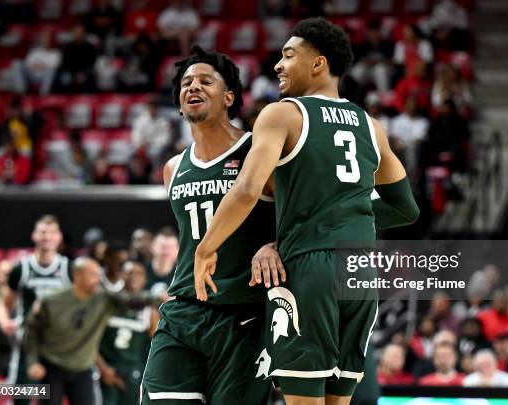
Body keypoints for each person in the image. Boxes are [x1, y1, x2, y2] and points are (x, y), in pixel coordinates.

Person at [194, 17, 419, 404]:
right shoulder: (371, 125)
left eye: (288, 55)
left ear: (318, 64)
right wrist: (344, 217)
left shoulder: (283, 114)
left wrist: (205, 248)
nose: (278, 66)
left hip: (309, 269)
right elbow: (405, 207)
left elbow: (247, 189)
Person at [139, 45, 279, 404]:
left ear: (229, 97)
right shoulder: (173, 167)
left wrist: (275, 244)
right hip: (184, 310)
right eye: (186, 83)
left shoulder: (257, 152)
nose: (193, 87)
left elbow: (304, 218)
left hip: (244, 315)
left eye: (205, 81)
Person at [24, 257, 155, 405]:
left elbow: (131, 301)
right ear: (77, 275)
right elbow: (32, 331)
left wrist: (158, 298)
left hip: (83, 368)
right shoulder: (51, 300)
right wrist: (32, 362)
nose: (98, 279)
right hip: (52, 366)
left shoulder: (103, 299)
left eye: (99, 275)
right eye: (93, 275)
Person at [0, 215, 71, 405]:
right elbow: (4, 303)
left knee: (51, 400)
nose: (47, 237)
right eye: (43, 232)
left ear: (59, 237)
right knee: (22, 398)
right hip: (27, 346)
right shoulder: (21, 269)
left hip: (56, 347)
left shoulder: (68, 268)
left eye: (52, 232)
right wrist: (5, 322)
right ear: (34, 235)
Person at [98, 260, 159, 405]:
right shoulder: (107, 302)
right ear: (120, 275)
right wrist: (103, 369)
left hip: (134, 373)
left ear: (145, 279)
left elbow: (154, 347)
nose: (133, 277)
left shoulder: (149, 311)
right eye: (129, 273)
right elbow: (90, 341)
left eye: (139, 274)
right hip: (106, 369)